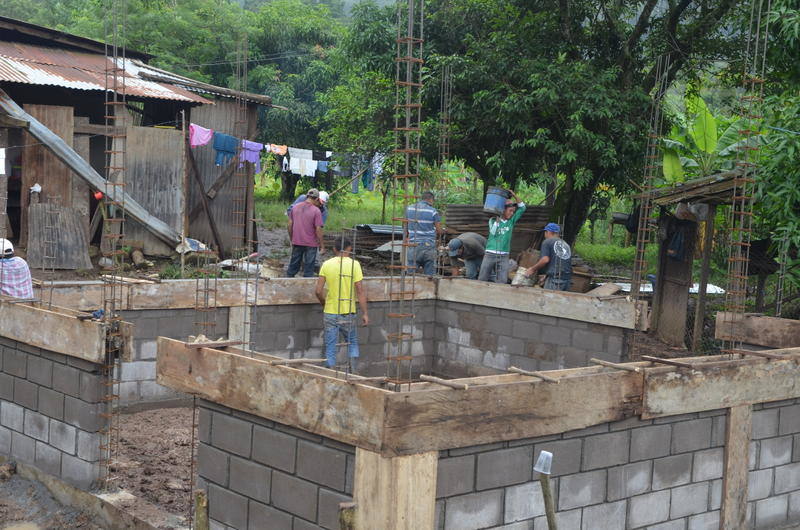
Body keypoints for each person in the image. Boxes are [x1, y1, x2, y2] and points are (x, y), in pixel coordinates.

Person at [315, 237, 369, 370]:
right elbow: (360, 291)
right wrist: (365, 313)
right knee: (352, 342)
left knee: (331, 345)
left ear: (334, 249)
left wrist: (324, 303)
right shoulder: (354, 265)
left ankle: (331, 376)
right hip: (348, 312)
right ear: (349, 249)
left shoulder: (326, 264)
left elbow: (317, 291)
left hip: (330, 312)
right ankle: (353, 372)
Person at [478, 190, 526, 283]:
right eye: (510, 211)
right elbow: (493, 232)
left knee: (502, 280)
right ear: (503, 210)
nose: (512, 213)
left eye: (513, 211)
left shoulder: (511, 221)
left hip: (504, 255)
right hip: (490, 254)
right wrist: (497, 220)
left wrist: (514, 195)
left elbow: (523, 207)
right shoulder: (492, 220)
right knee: (482, 278)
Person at [287, 189, 325, 277]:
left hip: (297, 241)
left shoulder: (295, 207)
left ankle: (288, 280)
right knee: (309, 267)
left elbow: (289, 225)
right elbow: (318, 229)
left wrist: (292, 238)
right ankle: (307, 284)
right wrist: (322, 246)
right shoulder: (316, 211)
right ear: (316, 199)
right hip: (311, 244)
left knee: (293, 264)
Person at [525, 222, 572, 291]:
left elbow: (545, 260)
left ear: (548, 232)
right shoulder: (566, 244)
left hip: (555, 280)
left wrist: (532, 269)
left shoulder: (547, 242)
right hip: (567, 280)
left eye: (545, 232)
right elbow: (559, 262)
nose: (545, 234)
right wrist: (547, 276)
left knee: (548, 300)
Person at [405, 191, 442, 276]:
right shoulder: (433, 211)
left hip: (413, 245)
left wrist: (408, 237)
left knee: (411, 275)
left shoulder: (409, 209)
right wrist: (443, 231)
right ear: (431, 199)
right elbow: (439, 230)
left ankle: (409, 288)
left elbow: (405, 228)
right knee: (430, 276)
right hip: (428, 245)